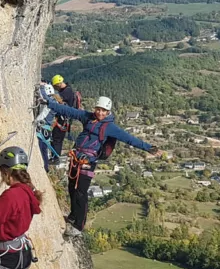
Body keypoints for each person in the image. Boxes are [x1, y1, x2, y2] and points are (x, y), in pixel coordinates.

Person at [45, 95, 162, 237]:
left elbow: (129, 139)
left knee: (81, 192)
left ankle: (78, 226)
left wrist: (149, 148)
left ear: (108, 112)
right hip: (76, 157)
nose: (100, 113)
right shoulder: (88, 117)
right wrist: (49, 103)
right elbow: (69, 111)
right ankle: (73, 215)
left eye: (103, 111)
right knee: (72, 188)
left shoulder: (110, 127)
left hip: (88, 162)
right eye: (98, 109)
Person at [49, 74, 79, 163]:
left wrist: (51, 96)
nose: (55, 88)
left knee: (57, 138)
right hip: (64, 119)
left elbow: (59, 101)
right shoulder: (67, 89)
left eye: (55, 86)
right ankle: (54, 156)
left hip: (63, 120)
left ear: (58, 84)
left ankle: (55, 158)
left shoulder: (66, 92)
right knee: (56, 137)